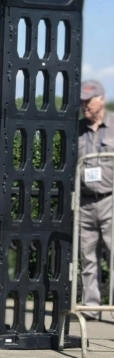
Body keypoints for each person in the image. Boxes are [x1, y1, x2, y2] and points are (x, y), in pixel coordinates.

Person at [78, 79, 114, 320]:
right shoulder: (76, 129)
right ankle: (91, 309)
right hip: (84, 202)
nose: (84, 106)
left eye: (87, 101)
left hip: (111, 200)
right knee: (87, 257)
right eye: (81, 102)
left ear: (101, 99)